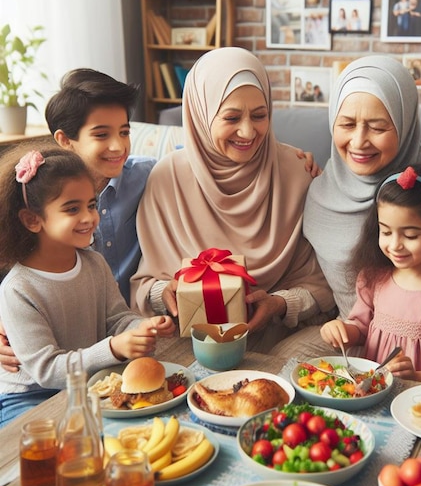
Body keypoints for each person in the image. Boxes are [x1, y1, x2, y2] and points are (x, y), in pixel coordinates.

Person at [130, 48, 335, 353]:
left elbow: (320, 285)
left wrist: (279, 303)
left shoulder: (297, 171)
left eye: (260, 115)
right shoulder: (167, 178)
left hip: (280, 336)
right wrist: (168, 293)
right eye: (231, 117)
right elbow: (145, 284)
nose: (248, 131)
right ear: (201, 114)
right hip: (191, 337)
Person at [0, 146, 175, 426]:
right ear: (33, 219)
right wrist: (114, 349)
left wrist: (141, 328)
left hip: (90, 383)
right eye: (72, 209)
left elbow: (117, 318)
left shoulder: (94, 263)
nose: (89, 218)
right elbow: (47, 370)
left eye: (91, 205)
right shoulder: (18, 289)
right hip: (30, 397)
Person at [303, 55, 421, 321]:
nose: (359, 142)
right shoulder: (319, 191)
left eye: (378, 127)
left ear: (404, 125)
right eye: (346, 124)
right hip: (347, 334)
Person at [320, 165, 421, 381]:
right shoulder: (373, 280)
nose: (395, 245)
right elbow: (360, 329)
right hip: (370, 391)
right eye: (385, 232)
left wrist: (416, 375)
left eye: (410, 235)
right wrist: (341, 331)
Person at [43, 68, 155, 306]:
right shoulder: (43, 196)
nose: (118, 146)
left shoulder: (149, 176)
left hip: (137, 317)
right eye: (102, 134)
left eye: (124, 132)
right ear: (64, 140)